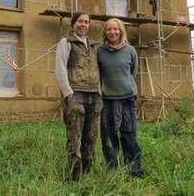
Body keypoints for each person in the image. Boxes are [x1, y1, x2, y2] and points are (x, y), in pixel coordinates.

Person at [55, 11, 103, 181]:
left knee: (91, 140)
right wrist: (68, 94)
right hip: (76, 95)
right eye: (80, 21)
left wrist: (100, 92)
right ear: (73, 23)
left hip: (94, 98)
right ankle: (75, 178)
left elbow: (99, 70)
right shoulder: (66, 42)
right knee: (75, 140)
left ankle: (89, 177)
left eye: (87, 22)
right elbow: (60, 69)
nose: (84, 25)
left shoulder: (93, 45)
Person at [97, 18, 144, 177]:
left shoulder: (130, 50)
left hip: (127, 99)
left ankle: (134, 170)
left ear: (121, 31)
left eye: (115, 29)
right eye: (109, 29)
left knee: (129, 135)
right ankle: (113, 171)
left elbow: (133, 72)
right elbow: (97, 74)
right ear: (105, 32)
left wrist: (125, 86)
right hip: (107, 100)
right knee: (109, 137)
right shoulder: (99, 51)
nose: (112, 32)